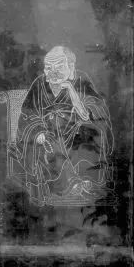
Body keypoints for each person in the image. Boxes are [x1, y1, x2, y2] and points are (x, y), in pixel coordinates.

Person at [14, 46, 113, 204]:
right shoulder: (39, 84)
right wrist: (37, 132)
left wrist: (71, 90)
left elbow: (93, 112)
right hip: (47, 133)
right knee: (51, 142)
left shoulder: (81, 80)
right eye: (48, 67)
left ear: (71, 66)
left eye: (59, 67)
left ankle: (87, 180)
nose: (52, 72)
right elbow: (27, 115)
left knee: (88, 133)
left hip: (74, 130)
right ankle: (70, 184)